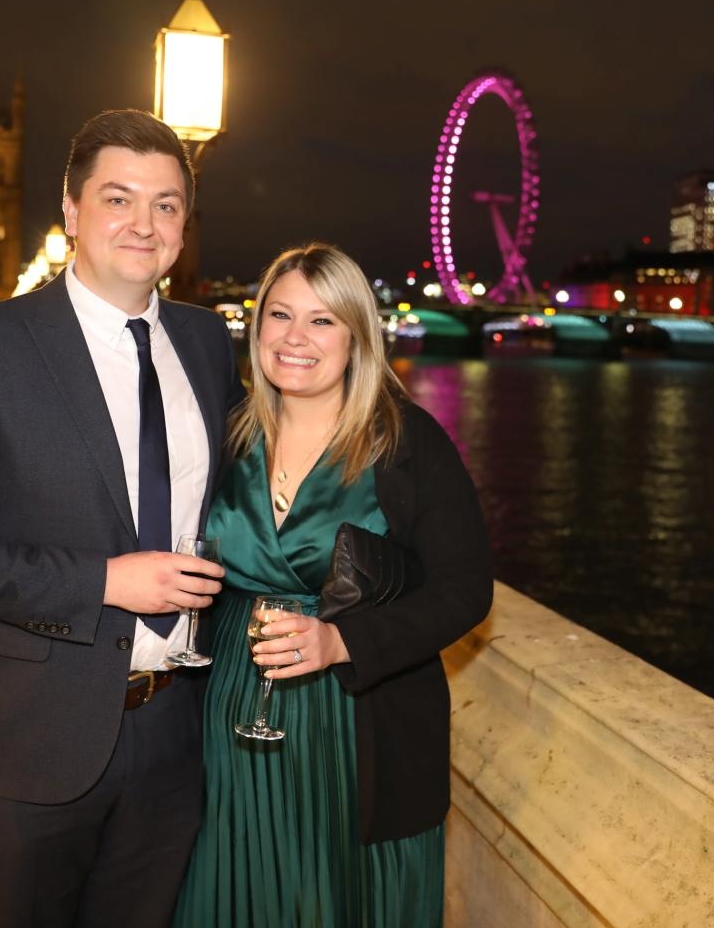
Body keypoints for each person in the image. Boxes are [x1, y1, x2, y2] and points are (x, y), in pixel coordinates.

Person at [0, 109, 244, 927]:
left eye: (166, 204)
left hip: (173, 734)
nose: (143, 223)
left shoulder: (207, 342)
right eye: (118, 198)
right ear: (71, 211)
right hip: (27, 740)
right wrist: (102, 581)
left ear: (184, 226)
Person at [175, 243, 493, 927]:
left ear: (357, 338)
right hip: (229, 710)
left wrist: (343, 641)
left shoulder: (407, 442)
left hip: (355, 726)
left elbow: (466, 589)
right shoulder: (226, 434)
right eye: (280, 315)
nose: (296, 336)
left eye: (322, 320)